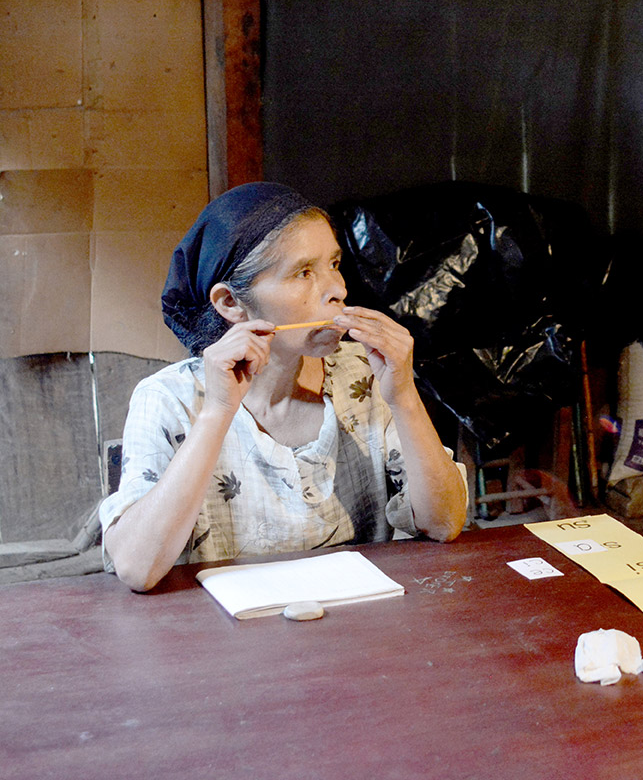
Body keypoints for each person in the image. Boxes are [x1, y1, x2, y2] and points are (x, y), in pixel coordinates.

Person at [100, 182, 468, 592]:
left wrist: (404, 395)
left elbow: (444, 523)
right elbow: (136, 568)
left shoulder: (364, 371)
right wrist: (219, 412)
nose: (338, 290)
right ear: (230, 304)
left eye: (334, 263)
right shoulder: (168, 399)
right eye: (304, 272)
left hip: (362, 628)